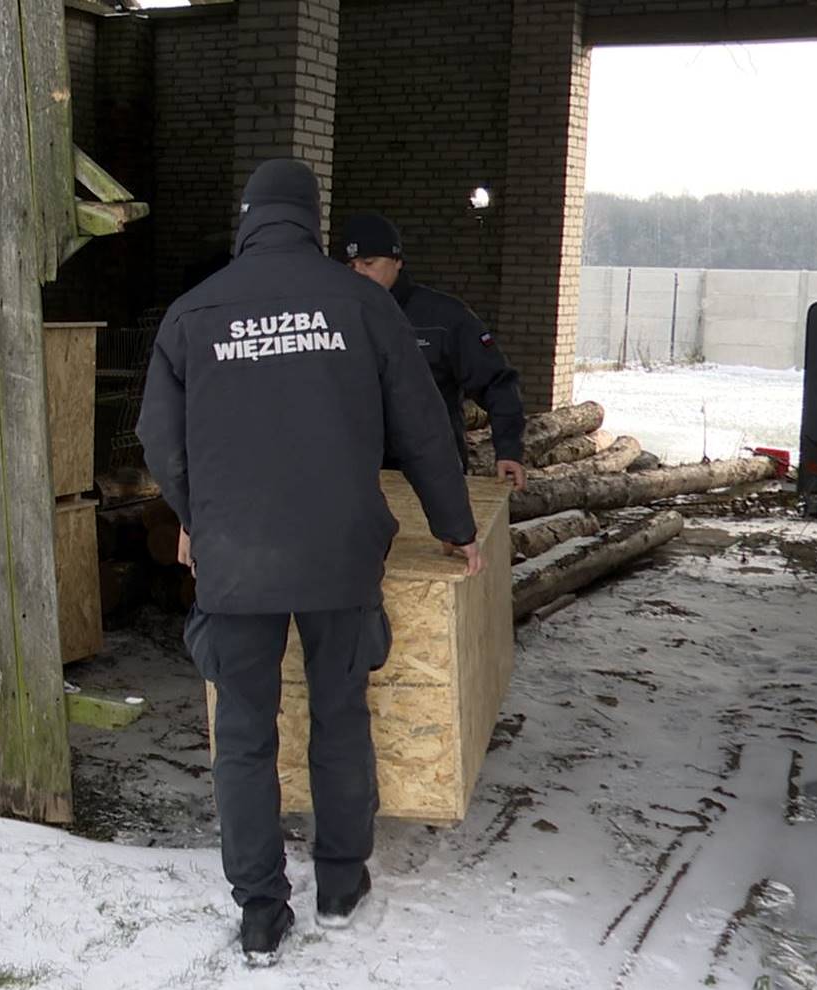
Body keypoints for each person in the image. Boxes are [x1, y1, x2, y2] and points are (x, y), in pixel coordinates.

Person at [136, 159, 483, 966]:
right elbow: (422, 424)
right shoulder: (361, 302)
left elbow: (159, 437)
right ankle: (337, 883)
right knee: (339, 714)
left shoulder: (194, 313)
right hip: (339, 552)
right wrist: (455, 525)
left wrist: (198, 517)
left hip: (239, 559)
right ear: (313, 222)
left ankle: (260, 910)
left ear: (248, 219)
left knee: (247, 736)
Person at [339, 213, 528, 490]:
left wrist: (509, 449)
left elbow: (497, 383)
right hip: (358, 478)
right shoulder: (336, 319)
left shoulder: (444, 319)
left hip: (431, 477)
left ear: (397, 261)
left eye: (369, 263)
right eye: (351, 265)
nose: (359, 273)